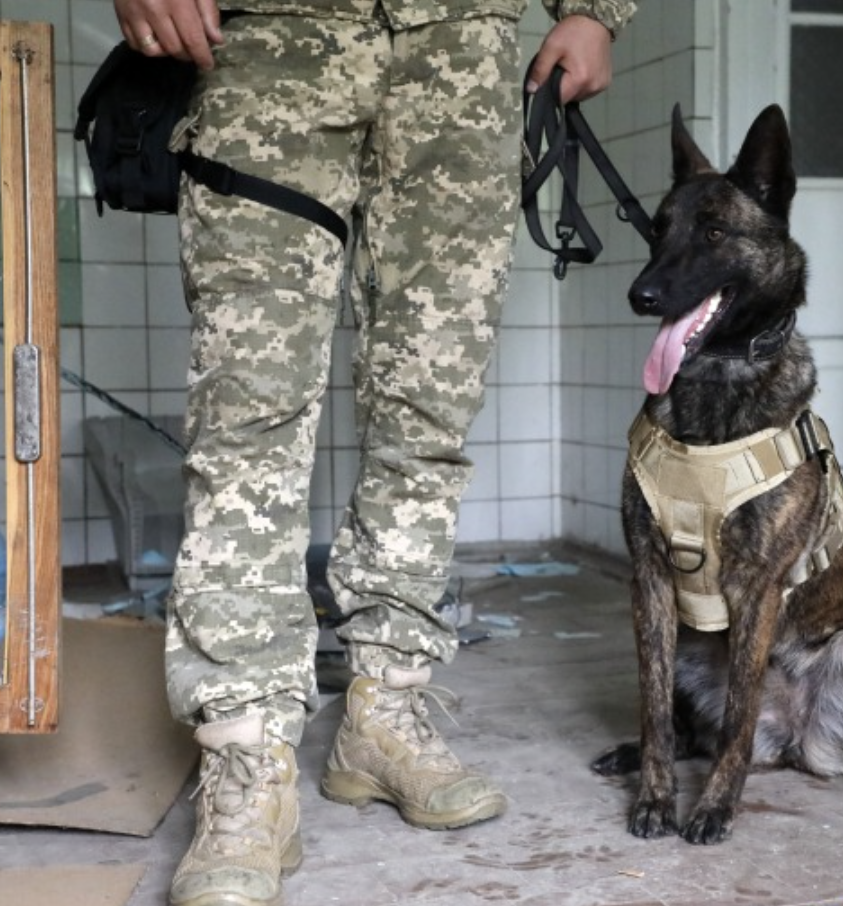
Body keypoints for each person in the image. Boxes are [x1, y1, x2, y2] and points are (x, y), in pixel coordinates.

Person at [107, 1, 635, 904]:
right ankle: (247, 763)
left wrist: (593, 10)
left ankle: (385, 711)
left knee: (427, 415)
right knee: (248, 419)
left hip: (462, 47)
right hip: (268, 37)